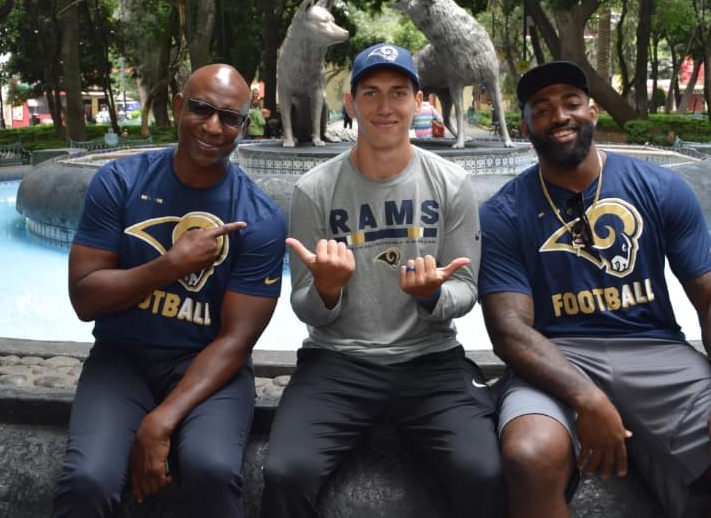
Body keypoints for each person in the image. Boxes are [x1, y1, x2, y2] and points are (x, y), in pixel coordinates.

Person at [478, 61, 711, 518]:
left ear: (593, 111)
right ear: (525, 126)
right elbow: (508, 330)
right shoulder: (503, 212)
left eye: (571, 103)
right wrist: (588, 398)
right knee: (529, 456)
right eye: (541, 109)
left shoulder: (660, 187)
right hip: (556, 357)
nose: (559, 115)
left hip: (655, 350)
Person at [261, 43, 503, 518]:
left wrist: (433, 296)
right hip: (338, 362)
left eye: (398, 93)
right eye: (370, 93)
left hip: (430, 361)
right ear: (350, 104)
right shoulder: (314, 191)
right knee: (285, 473)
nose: (385, 107)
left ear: (419, 101)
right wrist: (327, 288)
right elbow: (304, 304)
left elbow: (467, 289)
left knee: (484, 472)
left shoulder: (452, 183)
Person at [52, 64, 287, 518]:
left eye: (230, 118)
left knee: (212, 470)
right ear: (179, 108)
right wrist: (169, 265)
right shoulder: (120, 183)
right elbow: (85, 298)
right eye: (201, 109)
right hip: (122, 358)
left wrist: (161, 421)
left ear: (244, 126)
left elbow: (236, 341)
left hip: (207, 370)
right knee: (87, 481)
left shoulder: (258, 217)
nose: (213, 126)